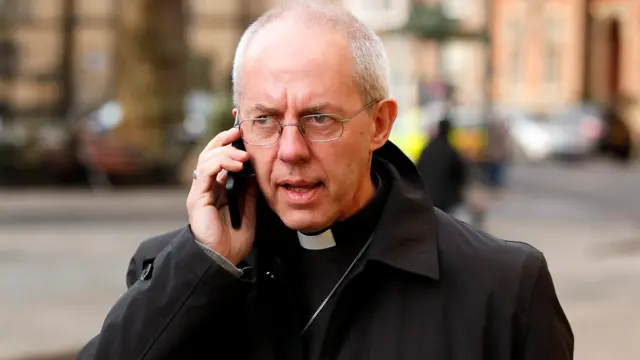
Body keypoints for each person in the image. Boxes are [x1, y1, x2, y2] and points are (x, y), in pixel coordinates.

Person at [78, 2, 573, 359]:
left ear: (379, 124)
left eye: (319, 119)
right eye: (265, 120)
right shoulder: (175, 271)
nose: (290, 151)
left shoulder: (502, 286)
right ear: (236, 128)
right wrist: (200, 265)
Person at [416, 116, 468, 214]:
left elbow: (418, 170)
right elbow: (460, 175)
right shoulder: (451, 151)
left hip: (427, 196)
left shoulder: (428, 149)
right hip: (446, 200)